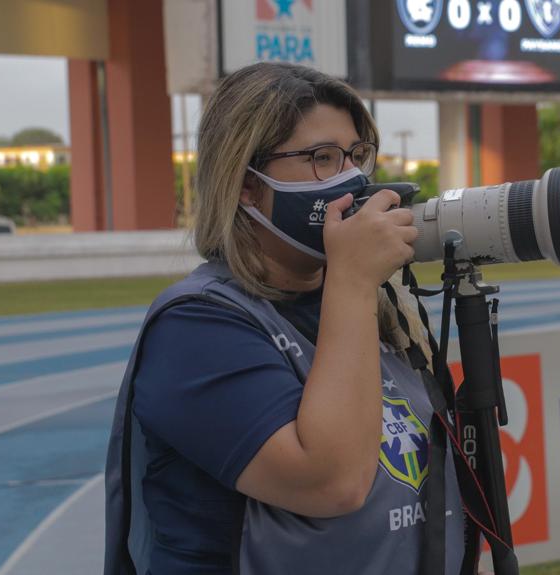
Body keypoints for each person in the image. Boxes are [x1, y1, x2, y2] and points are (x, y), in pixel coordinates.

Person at [103, 62, 467, 574]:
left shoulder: (378, 309)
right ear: (247, 185)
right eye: (321, 158)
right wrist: (354, 280)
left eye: (357, 155)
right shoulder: (195, 327)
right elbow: (331, 483)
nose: (352, 178)